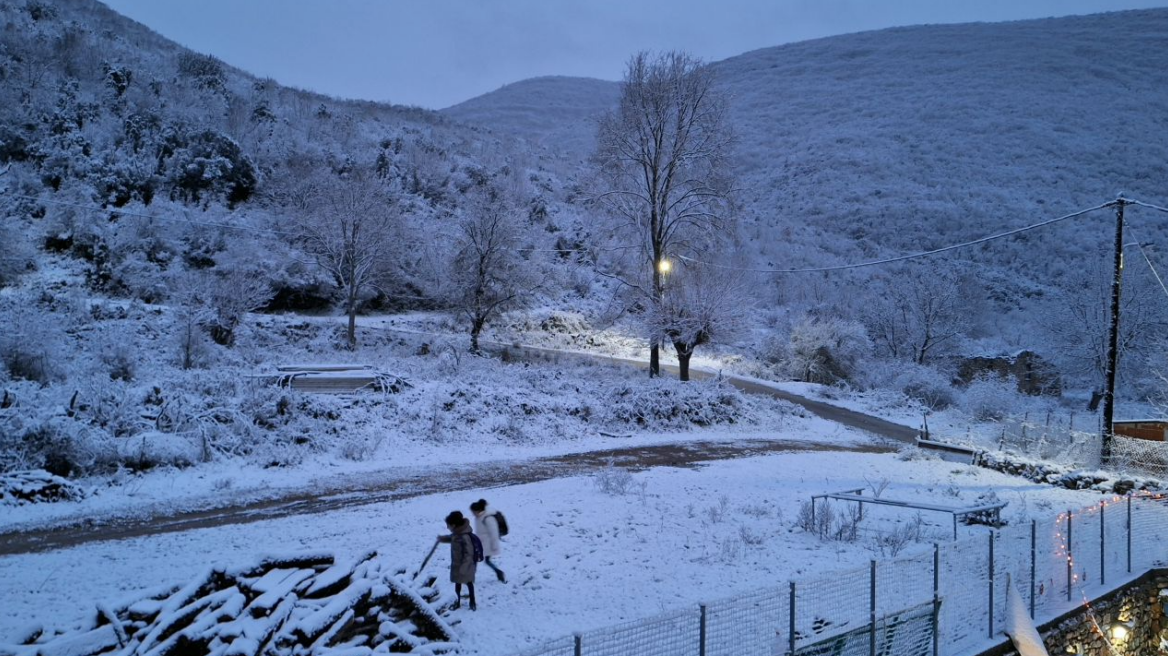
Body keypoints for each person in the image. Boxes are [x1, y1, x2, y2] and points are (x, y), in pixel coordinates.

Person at [437, 510, 477, 610]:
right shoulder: (456, 533)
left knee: (469, 583)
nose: (447, 527)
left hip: (466, 565)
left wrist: (464, 567)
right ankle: (457, 601)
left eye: (448, 525)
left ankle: (472, 602)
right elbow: (452, 538)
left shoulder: (464, 536)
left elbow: (469, 553)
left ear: (454, 525)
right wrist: (442, 539)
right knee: (457, 584)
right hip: (457, 565)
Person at [470, 498, 506, 583]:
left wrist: (494, 545)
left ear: (478, 510)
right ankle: (499, 572)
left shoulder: (488, 518)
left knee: (479, 559)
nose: (472, 513)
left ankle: (499, 572)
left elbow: (494, 532)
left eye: (473, 511)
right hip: (482, 543)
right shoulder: (479, 517)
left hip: (488, 544)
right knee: (483, 560)